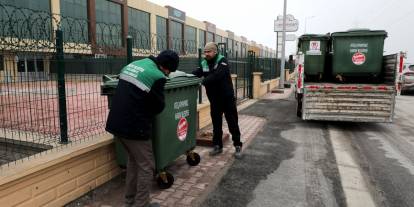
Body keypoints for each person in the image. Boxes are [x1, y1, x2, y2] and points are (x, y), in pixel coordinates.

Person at [106, 50, 179, 207]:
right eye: (169, 71)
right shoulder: (157, 76)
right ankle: (142, 204)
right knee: (147, 167)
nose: (167, 74)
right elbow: (158, 105)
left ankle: (130, 202)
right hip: (134, 128)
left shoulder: (134, 64)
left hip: (116, 123)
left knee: (133, 161)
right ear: (165, 68)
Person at [192, 42, 242, 159]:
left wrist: (202, 82)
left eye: (209, 52)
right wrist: (185, 76)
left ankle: (238, 145)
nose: (206, 54)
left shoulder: (222, 61)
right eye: (205, 52)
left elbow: (217, 75)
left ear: (215, 51)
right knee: (216, 123)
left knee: (232, 122)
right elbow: (197, 73)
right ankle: (217, 146)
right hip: (214, 99)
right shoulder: (204, 63)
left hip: (227, 98)